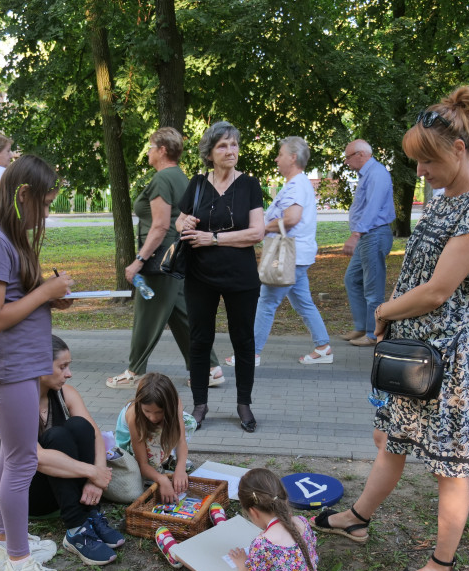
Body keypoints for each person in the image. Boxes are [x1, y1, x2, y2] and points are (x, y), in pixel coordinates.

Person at [313, 86, 469, 571]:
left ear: (459, 151)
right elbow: (415, 270)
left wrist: (382, 311)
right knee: (393, 440)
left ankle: (442, 566)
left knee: (450, 463)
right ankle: (357, 519)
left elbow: (440, 290)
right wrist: (392, 314)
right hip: (413, 349)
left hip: (449, 360)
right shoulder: (444, 204)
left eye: (427, 161)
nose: (419, 172)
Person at [0, 154, 80, 571]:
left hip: (17, 364)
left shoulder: (4, 237)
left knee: (12, 458)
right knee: (21, 462)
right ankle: (17, 566)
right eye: (45, 203)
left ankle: (4, 547)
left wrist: (48, 299)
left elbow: (16, 300)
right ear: (23, 196)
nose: (46, 214)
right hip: (9, 365)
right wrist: (46, 292)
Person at [0, 335, 124, 571]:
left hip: (66, 484)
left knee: (81, 426)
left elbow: (95, 436)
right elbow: (37, 458)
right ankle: (75, 529)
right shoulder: (11, 406)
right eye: (62, 367)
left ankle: (92, 514)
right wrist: (92, 471)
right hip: (30, 495)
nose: (69, 373)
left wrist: (96, 479)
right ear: (38, 367)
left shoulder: (65, 393)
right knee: (57, 438)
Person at [107, 128, 223, 390]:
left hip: (161, 260)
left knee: (146, 312)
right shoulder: (181, 177)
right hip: (178, 257)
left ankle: (134, 371)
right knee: (181, 316)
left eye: (150, 147)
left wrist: (138, 260)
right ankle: (211, 368)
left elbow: (160, 226)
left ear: (161, 150)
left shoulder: (162, 179)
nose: (147, 151)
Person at [175, 121, 265, 433]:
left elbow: (256, 232)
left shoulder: (250, 185)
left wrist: (212, 238)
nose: (230, 151)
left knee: (243, 340)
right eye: (223, 146)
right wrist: (184, 225)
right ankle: (199, 404)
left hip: (241, 276)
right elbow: (180, 220)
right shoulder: (198, 183)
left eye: (234, 145)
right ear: (209, 153)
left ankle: (243, 403)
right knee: (199, 340)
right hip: (200, 275)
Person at [155, 468, 320, 571]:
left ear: (253, 512)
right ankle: (224, 527)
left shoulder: (263, 544)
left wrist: (242, 564)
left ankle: (176, 554)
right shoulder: (302, 523)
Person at [227, 136, 333, 367]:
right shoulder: (298, 183)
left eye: (280, 154)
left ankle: (250, 354)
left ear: (293, 158)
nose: (276, 158)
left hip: (289, 255)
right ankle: (323, 347)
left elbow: (292, 218)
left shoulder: (296, 185)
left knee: (266, 302)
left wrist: (262, 228)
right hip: (296, 255)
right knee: (302, 302)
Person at [341, 139, 397, 347]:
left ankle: (374, 334)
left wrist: (355, 235)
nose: (346, 162)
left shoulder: (377, 174)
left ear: (360, 155)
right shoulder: (368, 174)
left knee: (373, 288)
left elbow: (372, 209)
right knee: (352, 279)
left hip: (373, 235)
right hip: (367, 236)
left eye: (348, 157)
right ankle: (362, 327)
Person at [115, 373, 196, 504]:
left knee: (189, 422)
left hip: (154, 439)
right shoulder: (135, 416)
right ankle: (153, 472)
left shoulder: (175, 402)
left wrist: (180, 469)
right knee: (155, 439)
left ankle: (169, 457)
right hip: (131, 449)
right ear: (139, 403)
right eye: (147, 411)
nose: (153, 417)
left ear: (169, 406)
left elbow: (181, 440)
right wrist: (162, 479)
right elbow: (143, 463)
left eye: (159, 412)